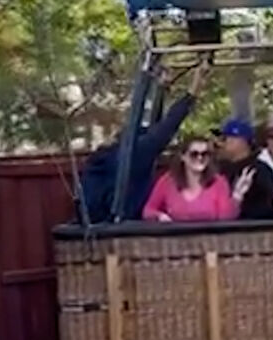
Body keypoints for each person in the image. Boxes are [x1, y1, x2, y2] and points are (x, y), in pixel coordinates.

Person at [76, 62, 208, 223]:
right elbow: (166, 127)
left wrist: (161, 89)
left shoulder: (109, 156)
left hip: (97, 220)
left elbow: (155, 127)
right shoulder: (134, 156)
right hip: (118, 222)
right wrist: (193, 90)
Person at [142, 137, 253, 223]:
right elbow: (148, 210)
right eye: (194, 154)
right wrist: (160, 216)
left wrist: (237, 196)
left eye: (204, 154)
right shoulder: (168, 181)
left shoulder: (218, 182)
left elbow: (225, 219)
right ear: (183, 157)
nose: (200, 158)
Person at [215, 117, 257, 182]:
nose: (220, 144)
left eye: (224, 139)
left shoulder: (258, 171)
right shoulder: (223, 169)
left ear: (242, 142)